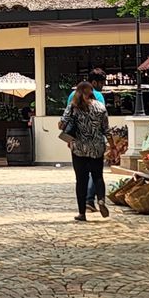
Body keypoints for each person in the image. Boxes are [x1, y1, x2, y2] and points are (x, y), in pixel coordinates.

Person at [58, 81, 112, 222]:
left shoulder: (73, 107)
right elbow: (106, 129)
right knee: (98, 176)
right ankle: (100, 200)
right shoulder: (100, 107)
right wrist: (113, 145)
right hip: (97, 148)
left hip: (79, 149)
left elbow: (62, 124)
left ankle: (82, 213)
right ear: (92, 91)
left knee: (81, 181)